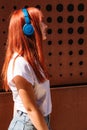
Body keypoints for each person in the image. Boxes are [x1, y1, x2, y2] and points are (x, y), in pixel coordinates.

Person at [1, 7, 52, 130]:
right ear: (28, 29)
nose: (45, 26)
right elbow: (29, 108)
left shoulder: (31, 60)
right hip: (29, 124)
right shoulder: (20, 63)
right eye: (41, 22)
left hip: (37, 122)